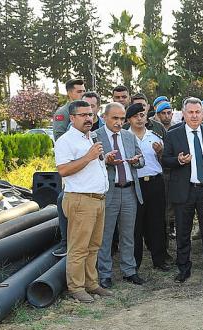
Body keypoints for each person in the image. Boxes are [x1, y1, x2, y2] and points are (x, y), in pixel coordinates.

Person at [161, 97, 203, 283]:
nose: (194, 115)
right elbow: (165, 160)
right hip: (184, 190)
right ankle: (183, 268)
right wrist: (178, 161)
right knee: (183, 231)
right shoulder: (174, 134)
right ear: (183, 113)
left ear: (202, 113)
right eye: (190, 112)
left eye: (198, 112)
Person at [54, 100, 109, 303]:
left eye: (91, 114)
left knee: (94, 246)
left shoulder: (90, 138)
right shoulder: (65, 141)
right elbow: (64, 170)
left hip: (97, 199)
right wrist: (88, 157)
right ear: (72, 118)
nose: (89, 118)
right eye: (84, 115)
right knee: (78, 247)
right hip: (80, 200)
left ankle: (91, 283)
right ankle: (76, 287)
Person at [95, 102, 146, 288]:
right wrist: (104, 160)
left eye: (122, 119)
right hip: (109, 192)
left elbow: (142, 161)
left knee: (128, 234)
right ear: (105, 117)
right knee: (105, 235)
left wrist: (136, 160)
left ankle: (129, 271)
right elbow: (90, 165)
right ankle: (105, 274)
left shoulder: (128, 136)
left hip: (130, 190)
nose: (118, 122)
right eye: (115, 118)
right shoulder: (95, 137)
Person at [128, 103, 171, 272]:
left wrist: (161, 153)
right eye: (135, 116)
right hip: (135, 184)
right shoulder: (125, 137)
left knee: (157, 222)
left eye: (142, 115)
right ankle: (135, 262)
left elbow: (165, 162)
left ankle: (159, 259)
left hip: (154, 183)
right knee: (136, 224)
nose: (139, 119)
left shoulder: (155, 136)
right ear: (129, 120)